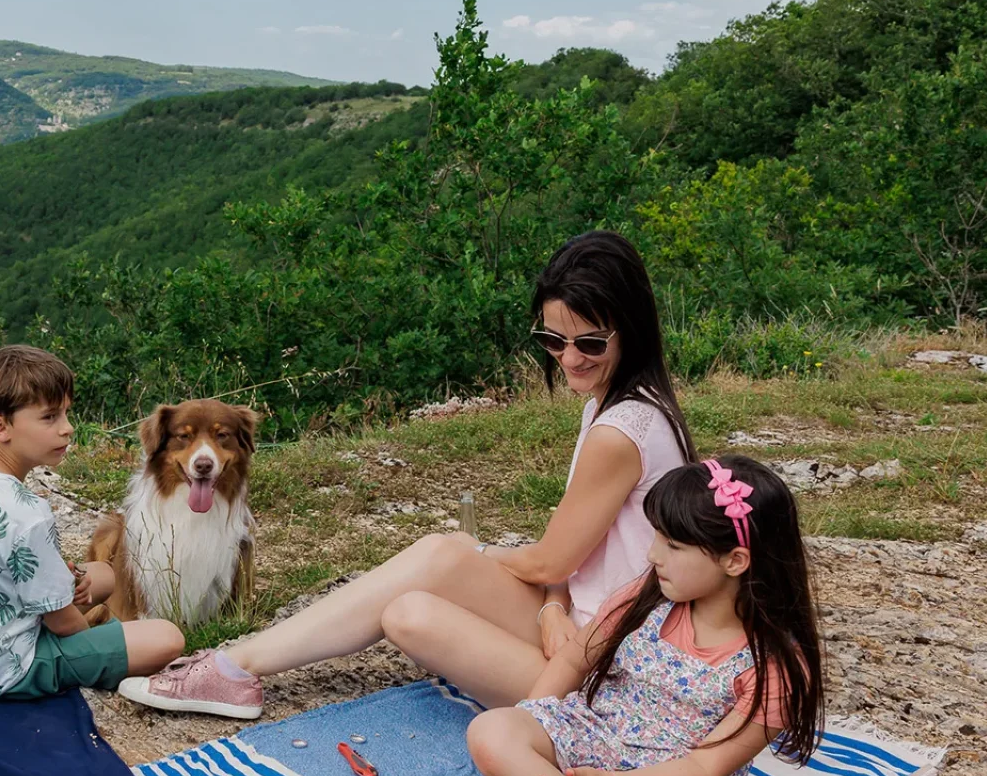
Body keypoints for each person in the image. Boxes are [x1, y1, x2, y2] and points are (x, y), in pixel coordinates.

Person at [117, 230, 696, 720]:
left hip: (611, 666)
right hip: (580, 622)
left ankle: (235, 666)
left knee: (434, 568)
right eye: (552, 339)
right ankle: (237, 665)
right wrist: (545, 605)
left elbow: (550, 561)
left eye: (589, 341)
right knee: (408, 605)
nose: (568, 358)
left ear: (632, 328)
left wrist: (476, 557)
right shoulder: (618, 403)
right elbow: (569, 560)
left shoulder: (621, 432)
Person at [431, 455, 825, 776]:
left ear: (735, 561)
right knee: (491, 730)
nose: (653, 553)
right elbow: (576, 657)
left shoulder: (774, 666)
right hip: (593, 732)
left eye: (674, 544)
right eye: (657, 536)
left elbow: (704, 770)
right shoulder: (650, 597)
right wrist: (534, 714)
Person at [0, 345, 185, 699]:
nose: (67, 429)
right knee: (166, 638)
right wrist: (91, 637)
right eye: (49, 417)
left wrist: (66, 585)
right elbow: (63, 624)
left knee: (102, 575)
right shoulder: (29, 513)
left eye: (67, 413)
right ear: (0, 426)